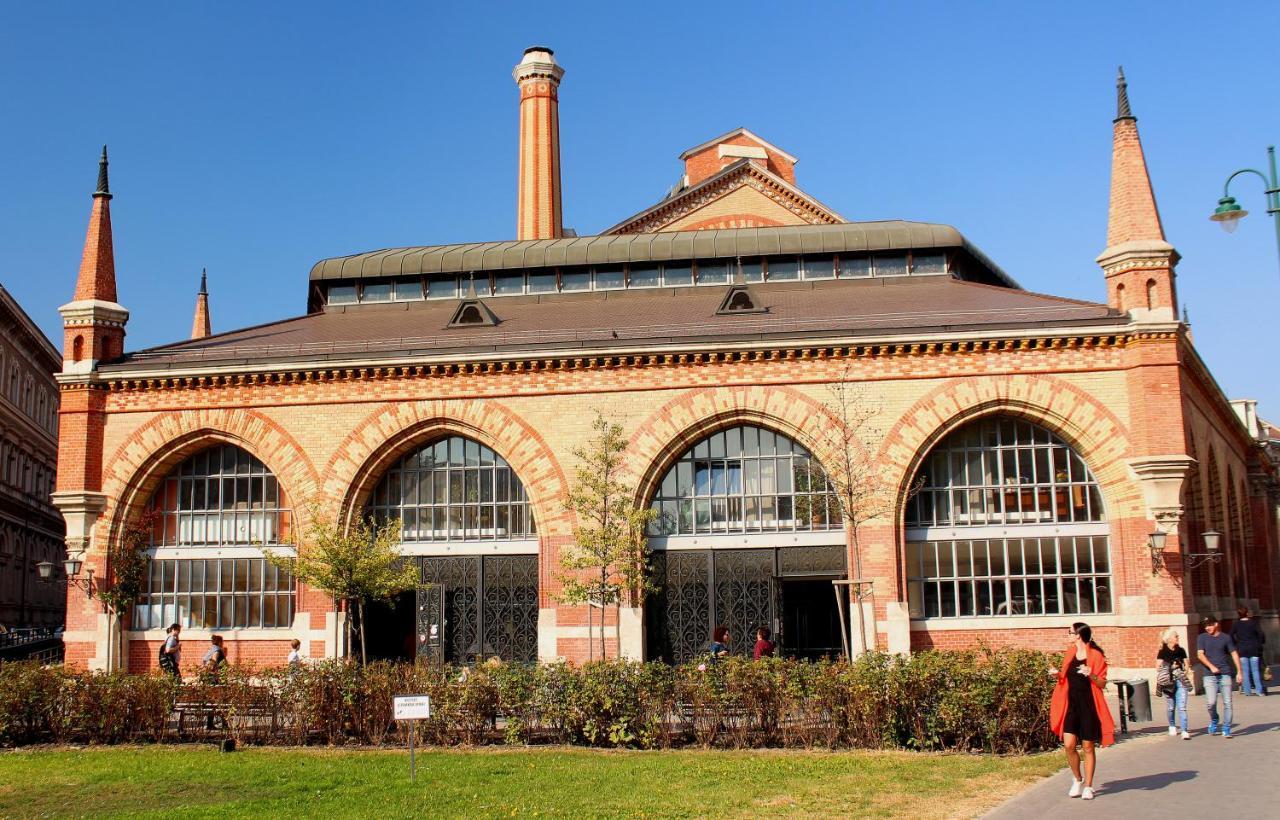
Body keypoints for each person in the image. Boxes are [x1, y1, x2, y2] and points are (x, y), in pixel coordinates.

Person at [1049, 622, 1114, 801]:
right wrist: (1057, 674)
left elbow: (1102, 683)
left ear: (1078, 635)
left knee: (1088, 747)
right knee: (1069, 745)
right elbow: (1064, 677)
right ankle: (1077, 778)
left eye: (1069, 632)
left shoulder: (1095, 655)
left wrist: (1090, 674)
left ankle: (1089, 785)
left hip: (1089, 706)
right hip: (1071, 705)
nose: (1068, 635)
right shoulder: (1070, 653)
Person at [1196, 616, 1242, 738]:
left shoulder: (1226, 638)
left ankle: (1226, 728)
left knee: (1227, 702)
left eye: (1209, 625)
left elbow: (1234, 653)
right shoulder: (1202, 638)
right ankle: (1214, 719)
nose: (1207, 628)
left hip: (1225, 673)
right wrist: (1211, 667)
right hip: (1209, 675)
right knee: (1211, 703)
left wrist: (1239, 672)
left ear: (1216, 624)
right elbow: (1200, 655)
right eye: (1205, 626)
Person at [1156, 629, 1191, 739]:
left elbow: (1187, 664)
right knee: (1171, 707)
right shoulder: (1162, 651)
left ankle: (1185, 731)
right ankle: (1172, 726)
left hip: (1180, 680)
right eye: (1176, 636)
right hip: (1168, 682)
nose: (1178, 637)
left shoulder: (1181, 650)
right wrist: (1171, 667)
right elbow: (1158, 667)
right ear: (1170, 638)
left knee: (1182, 707)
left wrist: (1184, 671)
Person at [1230, 607, 1267, 697]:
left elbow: (1230, 635)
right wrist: (1260, 643)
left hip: (1242, 649)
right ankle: (1259, 690)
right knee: (1255, 670)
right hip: (1254, 648)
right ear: (1247, 613)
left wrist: (1236, 644)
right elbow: (1261, 634)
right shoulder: (1253, 623)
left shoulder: (1236, 624)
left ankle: (1247, 691)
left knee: (1245, 671)